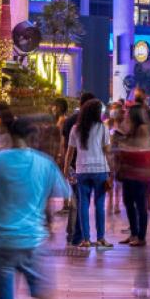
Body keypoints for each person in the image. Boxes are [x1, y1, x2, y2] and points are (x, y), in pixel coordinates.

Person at [0, 116, 71, 299]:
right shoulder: (45, 163)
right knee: (45, 296)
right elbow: (62, 197)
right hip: (33, 241)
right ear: (33, 138)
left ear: (10, 136)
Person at [64, 99, 113, 249]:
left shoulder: (75, 128)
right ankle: (101, 239)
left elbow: (70, 152)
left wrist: (65, 169)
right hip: (100, 170)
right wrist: (111, 169)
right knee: (99, 204)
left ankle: (85, 239)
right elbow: (107, 151)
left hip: (82, 170)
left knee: (83, 205)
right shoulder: (102, 128)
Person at [61, 91, 94, 246]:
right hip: (84, 166)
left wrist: (65, 165)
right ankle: (75, 234)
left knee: (77, 198)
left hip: (73, 165)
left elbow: (64, 145)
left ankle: (72, 232)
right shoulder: (90, 122)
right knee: (81, 200)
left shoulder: (69, 121)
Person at [117, 102, 150, 247]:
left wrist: (126, 147)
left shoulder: (143, 129)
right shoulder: (131, 129)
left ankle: (141, 236)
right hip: (129, 171)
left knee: (140, 205)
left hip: (139, 172)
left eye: (129, 114)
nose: (126, 115)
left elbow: (141, 149)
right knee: (128, 203)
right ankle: (133, 233)